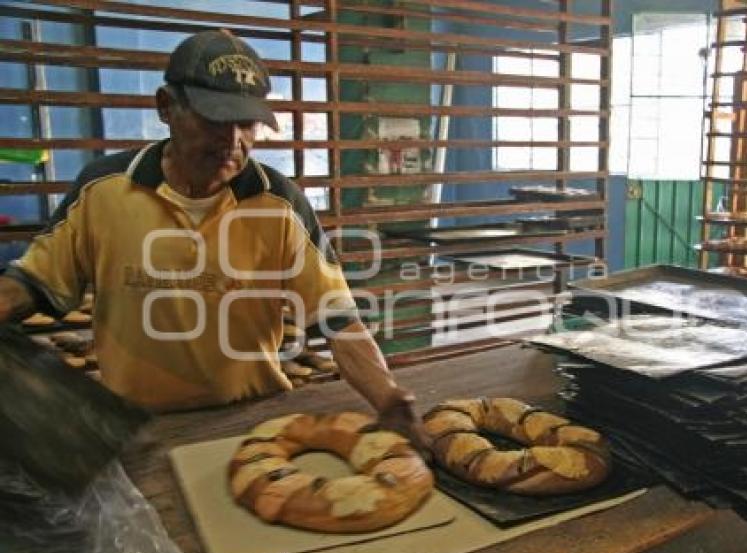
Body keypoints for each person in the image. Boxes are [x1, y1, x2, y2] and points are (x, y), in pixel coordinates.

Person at [0, 30, 428, 451]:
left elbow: (339, 320)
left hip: (253, 419)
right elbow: (34, 281)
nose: (233, 140)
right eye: (215, 119)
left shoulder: (279, 203)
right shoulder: (103, 190)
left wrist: (388, 395)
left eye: (247, 123)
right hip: (135, 428)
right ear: (166, 107)